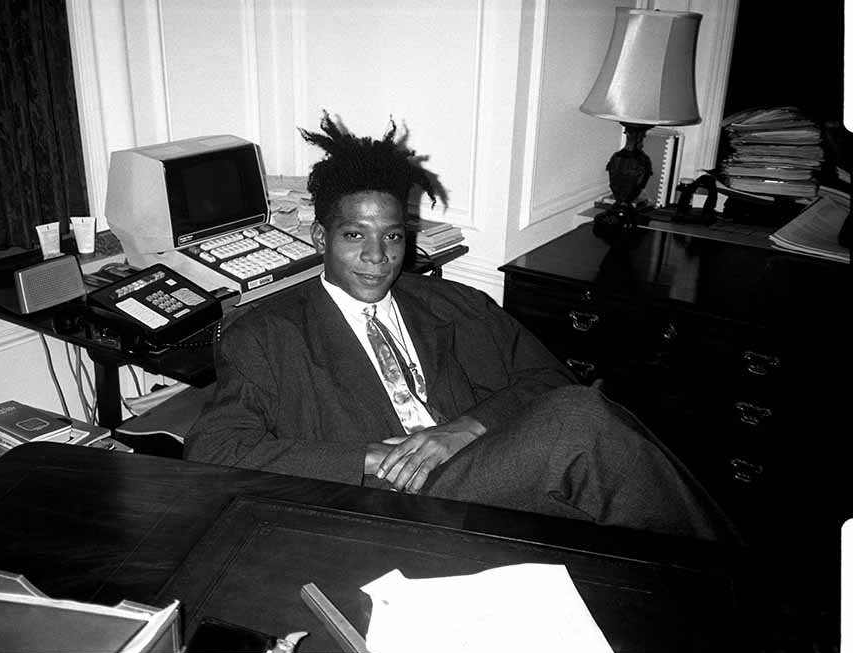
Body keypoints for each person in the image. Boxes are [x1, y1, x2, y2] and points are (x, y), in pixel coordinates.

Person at [185, 111, 739, 542]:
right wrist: (367, 458)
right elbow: (214, 449)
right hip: (387, 499)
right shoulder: (267, 333)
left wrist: (464, 429)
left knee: (598, 467)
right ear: (319, 239)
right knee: (581, 426)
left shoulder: (453, 304)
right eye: (355, 236)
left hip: (475, 473)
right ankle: (739, 586)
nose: (378, 257)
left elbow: (548, 383)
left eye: (394, 236)